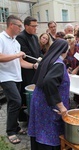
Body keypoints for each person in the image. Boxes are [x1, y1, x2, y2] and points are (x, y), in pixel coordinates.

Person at [0, 15, 38, 144]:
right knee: (16, 101)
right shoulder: (1, 38)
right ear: (11, 25)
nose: (20, 29)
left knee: (15, 102)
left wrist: (33, 65)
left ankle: (15, 127)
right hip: (5, 76)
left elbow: (21, 62)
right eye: (19, 26)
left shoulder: (15, 41)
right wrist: (16, 55)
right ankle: (10, 131)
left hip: (17, 76)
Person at [28, 39, 70, 150]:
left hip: (39, 99)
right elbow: (49, 81)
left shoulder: (48, 59)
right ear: (64, 51)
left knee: (40, 129)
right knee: (49, 132)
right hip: (48, 104)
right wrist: (61, 106)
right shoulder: (58, 64)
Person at [16, 16, 41, 121]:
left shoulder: (35, 37)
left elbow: (38, 52)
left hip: (36, 67)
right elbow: (26, 54)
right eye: (33, 26)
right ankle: (25, 118)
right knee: (26, 93)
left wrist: (41, 58)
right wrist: (37, 61)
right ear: (26, 26)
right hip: (26, 70)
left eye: (36, 26)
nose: (36, 28)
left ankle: (34, 115)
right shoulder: (21, 37)